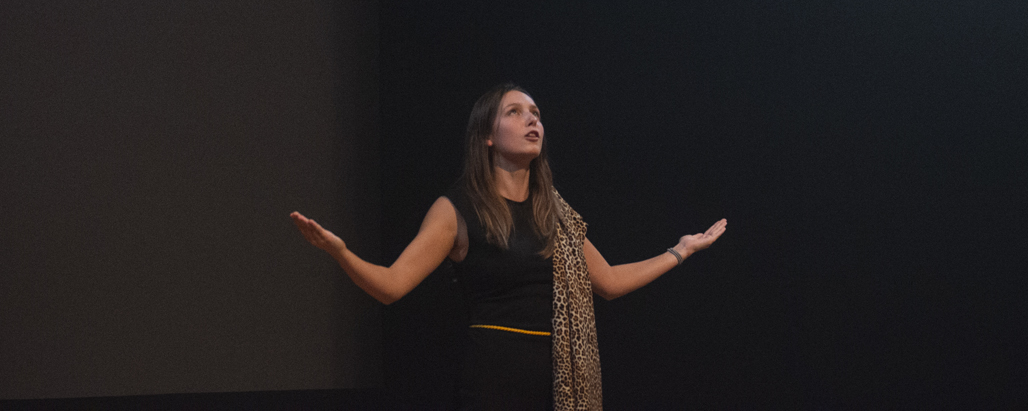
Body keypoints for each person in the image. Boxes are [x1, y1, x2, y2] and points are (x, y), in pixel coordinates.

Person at [291, 83, 726, 411]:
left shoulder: (553, 212)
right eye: (516, 112)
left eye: (535, 113)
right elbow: (391, 285)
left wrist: (680, 251)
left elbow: (609, 282)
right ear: (488, 136)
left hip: (559, 384)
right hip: (493, 383)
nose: (532, 120)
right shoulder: (456, 209)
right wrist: (341, 252)